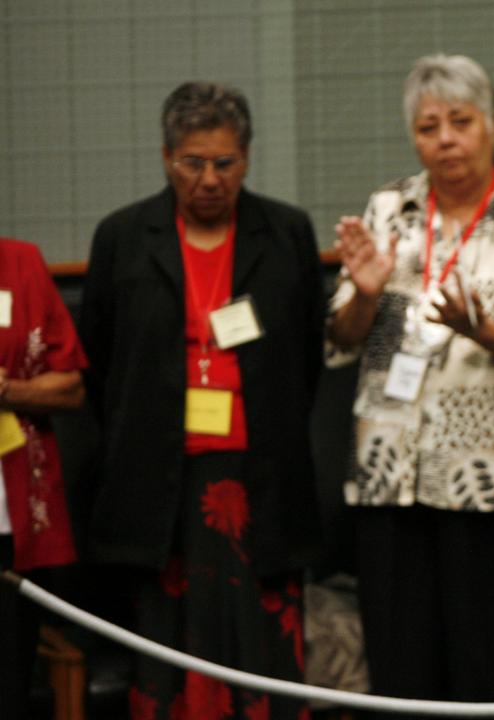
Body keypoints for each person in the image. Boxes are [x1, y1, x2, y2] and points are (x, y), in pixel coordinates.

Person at [327, 54, 494, 706]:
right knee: (398, 663)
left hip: (489, 476)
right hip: (390, 468)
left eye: (460, 122)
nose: (444, 138)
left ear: (491, 124)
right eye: (427, 126)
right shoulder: (391, 209)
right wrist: (362, 295)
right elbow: (340, 338)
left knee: (482, 660)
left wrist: (491, 335)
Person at [80, 82, 324, 719]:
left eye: (225, 162)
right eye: (193, 162)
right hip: (158, 475)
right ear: (166, 158)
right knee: (168, 639)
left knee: (261, 642)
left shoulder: (287, 231)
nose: (209, 178)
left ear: (246, 158)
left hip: (259, 475)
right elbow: (101, 365)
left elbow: (306, 358)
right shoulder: (123, 237)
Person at [0, 239, 87, 720]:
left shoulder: (20, 262)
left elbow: (70, 386)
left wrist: (7, 390)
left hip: (12, 523)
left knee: (10, 684)